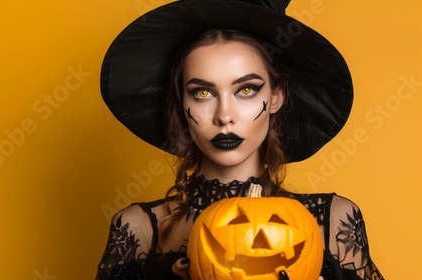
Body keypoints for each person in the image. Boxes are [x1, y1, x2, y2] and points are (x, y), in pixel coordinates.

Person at [96, 0, 384, 279]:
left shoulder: (334, 221)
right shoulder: (141, 228)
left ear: (275, 97)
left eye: (246, 90)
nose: (224, 116)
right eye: (203, 93)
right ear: (181, 103)